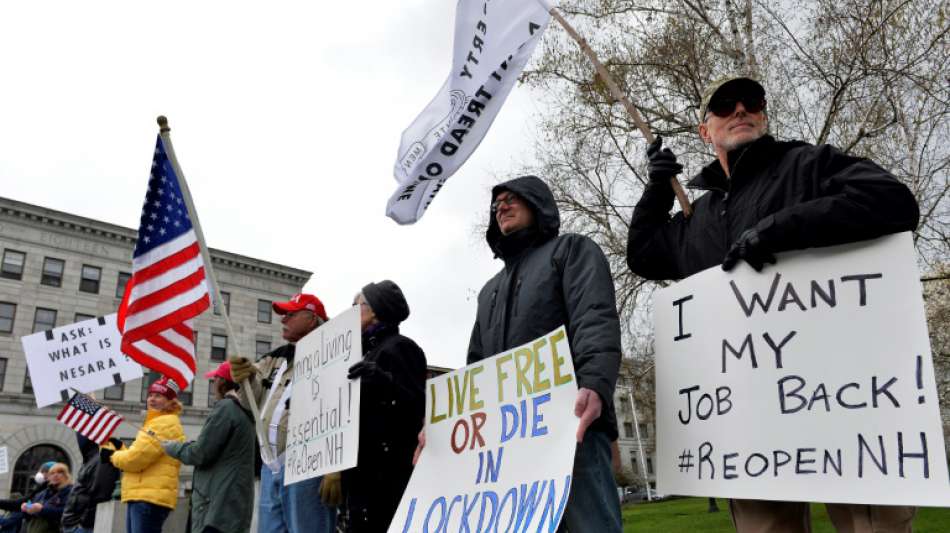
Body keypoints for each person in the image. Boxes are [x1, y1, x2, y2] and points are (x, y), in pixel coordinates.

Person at [626, 76, 919, 533]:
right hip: (751, 422)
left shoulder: (807, 164)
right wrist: (658, 190)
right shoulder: (697, 216)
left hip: (847, 402)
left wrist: (782, 228)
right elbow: (643, 255)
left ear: (763, 114)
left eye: (751, 102)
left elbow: (894, 200)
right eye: (725, 105)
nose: (740, 109)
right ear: (706, 131)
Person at [464, 175, 624, 532]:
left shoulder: (572, 251)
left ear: (537, 204)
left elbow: (594, 318)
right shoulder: (488, 291)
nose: (500, 207)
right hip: (508, 442)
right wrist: (449, 431)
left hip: (573, 427)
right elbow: (475, 369)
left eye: (511, 199)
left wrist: (595, 385)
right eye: (496, 204)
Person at [229, 293, 337, 533]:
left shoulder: (336, 352)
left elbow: (341, 410)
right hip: (270, 464)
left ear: (312, 319)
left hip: (308, 464)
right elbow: (251, 404)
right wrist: (245, 379)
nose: (283, 320)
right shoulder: (274, 357)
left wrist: (334, 466)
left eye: (290, 314)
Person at [337, 281, 426, 532]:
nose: (351, 311)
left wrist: (384, 379)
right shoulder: (362, 352)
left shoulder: (400, 347)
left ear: (375, 309)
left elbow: (416, 404)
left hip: (385, 475)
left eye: (357, 305)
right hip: (361, 473)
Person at [162, 361, 256, 533]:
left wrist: (173, 448)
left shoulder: (225, 408)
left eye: (215, 379)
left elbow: (200, 454)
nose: (212, 384)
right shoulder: (245, 412)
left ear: (222, 381)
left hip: (215, 510)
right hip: (233, 508)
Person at [102, 376, 185, 533]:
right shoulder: (156, 422)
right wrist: (121, 449)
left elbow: (135, 460)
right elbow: (140, 455)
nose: (152, 399)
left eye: (158, 396)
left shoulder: (164, 423)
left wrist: (112, 456)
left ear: (170, 402)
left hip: (148, 498)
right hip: (144, 496)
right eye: (151, 395)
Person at [61, 434, 119, 533]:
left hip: (82, 526)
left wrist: (83, 523)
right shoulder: (90, 460)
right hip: (73, 524)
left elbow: (100, 494)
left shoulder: (102, 458)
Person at [19, 462, 73, 533]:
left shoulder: (70, 492)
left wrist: (42, 509)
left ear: (66, 476)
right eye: (52, 473)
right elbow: (30, 508)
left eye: (60, 472)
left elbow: (66, 513)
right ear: (49, 477)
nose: (55, 475)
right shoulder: (43, 493)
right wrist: (26, 508)